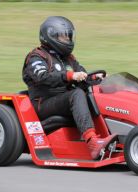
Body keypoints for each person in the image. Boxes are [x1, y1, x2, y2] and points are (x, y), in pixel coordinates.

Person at [22, 16, 115, 159]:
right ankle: (92, 142)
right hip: (43, 103)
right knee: (77, 94)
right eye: (63, 36)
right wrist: (69, 76)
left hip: (64, 101)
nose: (67, 40)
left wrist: (98, 79)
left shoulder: (69, 58)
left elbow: (83, 76)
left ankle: (109, 134)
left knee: (92, 92)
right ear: (50, 36)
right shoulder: (37, 56)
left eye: (68, 36)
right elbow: (42, 77)